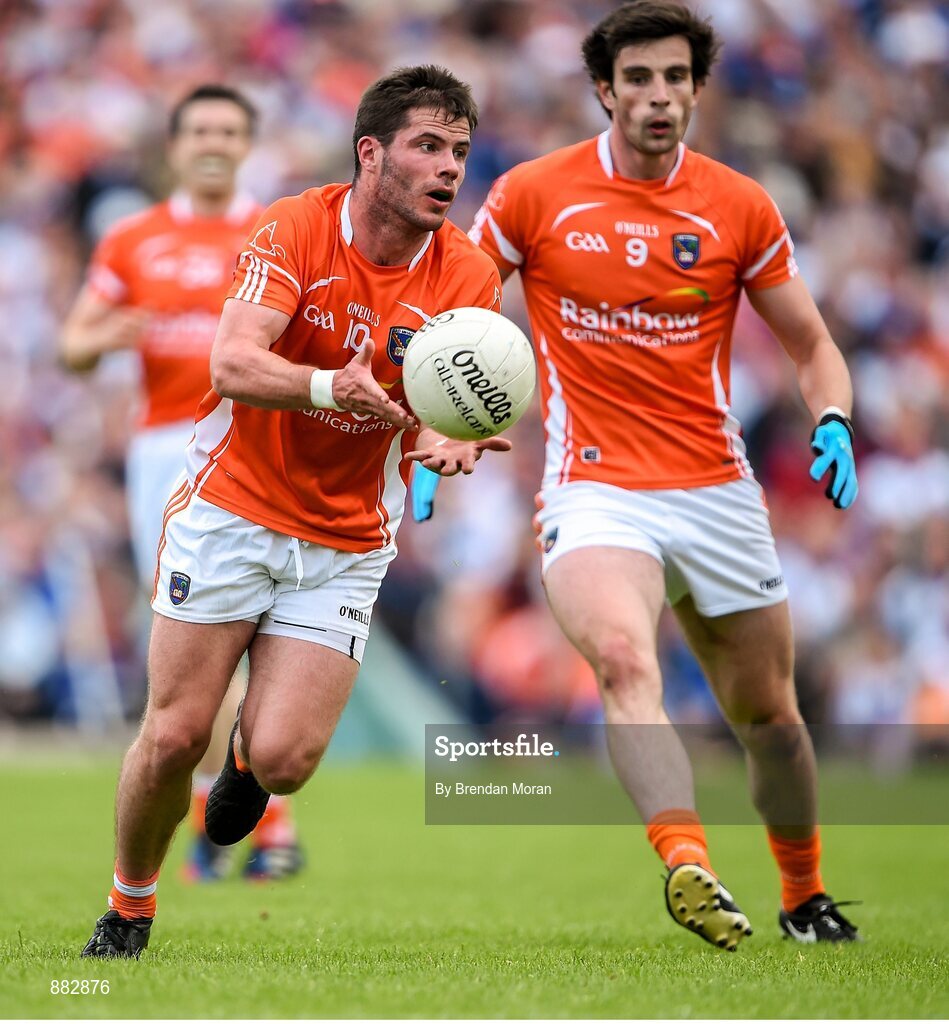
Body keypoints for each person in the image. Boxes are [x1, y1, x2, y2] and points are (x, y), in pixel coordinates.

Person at [80, 64, 508, 959]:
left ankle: (243, 767)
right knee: (171, 732)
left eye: (459, 153)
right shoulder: (294, 225)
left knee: (283, 762)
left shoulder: (467, 271)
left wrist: (454, 439)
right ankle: (129, 905)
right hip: (232, 507)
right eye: (427, 146)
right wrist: (327, 386)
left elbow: (454, 402)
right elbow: (231, 364)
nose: (447, 168)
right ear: (370, 153)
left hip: (348, 536)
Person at [467, 0, 860, 948]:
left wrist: (835, 418)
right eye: (637, 78)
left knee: (769, 715)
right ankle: (687, 863)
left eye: (674, 78)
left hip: (716, 490)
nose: (657, 96)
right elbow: (456, 317)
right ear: (604, 90)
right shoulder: (531, 194)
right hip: (593, 489)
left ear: (694, 89)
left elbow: (810, 344)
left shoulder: (738, 203)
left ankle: (802, 894)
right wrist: (444, 425)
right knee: (623, 659)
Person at [62, 85, 305, 883]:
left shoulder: (277, 230)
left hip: (258, 442)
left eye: (229, 130)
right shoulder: (134, 239)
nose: (213, 141)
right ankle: (239, 821)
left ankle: (257, 822)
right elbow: (72, 347)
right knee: (190, 637)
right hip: (166, 449)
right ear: (175, 143)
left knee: (261, 635)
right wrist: (104, 335)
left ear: (246, 144)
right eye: (199, 127)